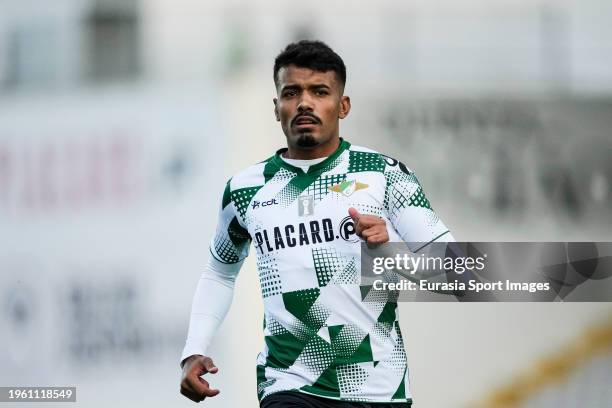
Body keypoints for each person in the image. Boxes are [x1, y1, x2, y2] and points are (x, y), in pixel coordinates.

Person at [180, 40, 454, 407]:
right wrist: (193, 349)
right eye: (291, 92)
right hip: (288, 385)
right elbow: (219, 273)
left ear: (343, 106)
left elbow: (456, 270)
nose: (304, 102)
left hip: (377, 389)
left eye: (319, 91)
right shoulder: (245, 190)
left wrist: (390, 253)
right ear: (276, 108)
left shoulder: (384, 175)